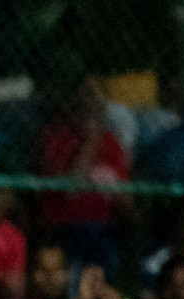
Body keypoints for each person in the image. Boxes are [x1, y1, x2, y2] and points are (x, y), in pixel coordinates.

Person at [36, 77, 131, 274]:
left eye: (98, 96)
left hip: (103, 227)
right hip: (66, 225)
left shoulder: (112, 142)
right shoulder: (58, 137)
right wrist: (90, 140)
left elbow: (124, 195)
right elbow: (72, 188)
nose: (93, 102)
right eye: (88, 94)